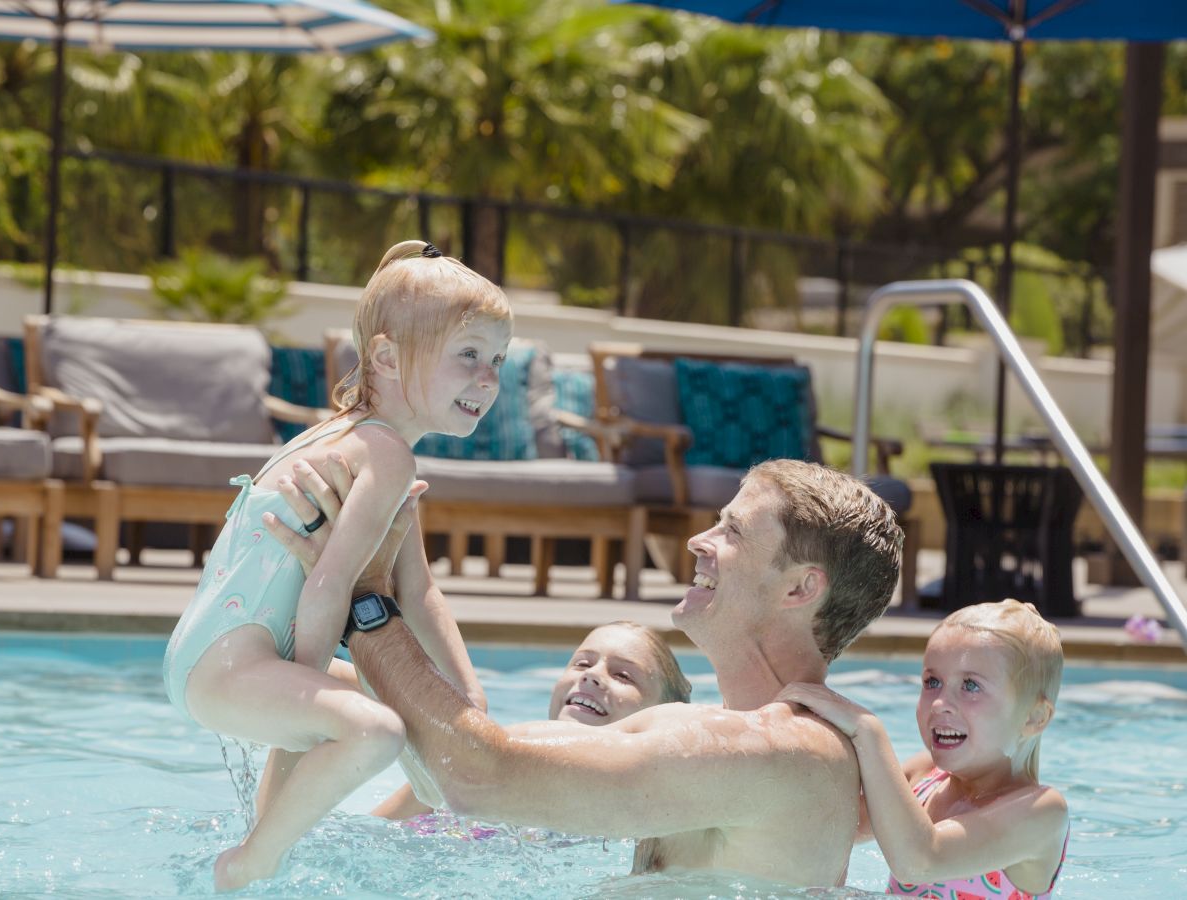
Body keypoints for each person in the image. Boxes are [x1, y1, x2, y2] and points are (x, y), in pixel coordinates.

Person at [267, 457, 903, 887]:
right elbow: (475, 750)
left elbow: (475, 776)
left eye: (731, 530)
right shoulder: (723, 733)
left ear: (800, 589)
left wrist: (363, 601)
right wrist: (386, 566)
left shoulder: (780, 750)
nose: (698, 541)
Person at [162, 239, 511, 891]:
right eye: (468, 355)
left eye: (497, 360)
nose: (488, 378)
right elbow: (326, 591)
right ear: (385, 356)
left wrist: (471, 695)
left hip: (217, 655)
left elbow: (418, 586)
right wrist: (310, 690)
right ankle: (252, 861)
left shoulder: (364, 442)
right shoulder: (383, 454)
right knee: (374, 733)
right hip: (230, 664)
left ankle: (273, 839)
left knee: (434, 737)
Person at [779, 599, 1069, 898]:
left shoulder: (1043, 812)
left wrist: (867, 730)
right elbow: (831, 826)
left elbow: (920, 861)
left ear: (1034, 718)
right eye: (932, 682)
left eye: (970, 686)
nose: (940, 703)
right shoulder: (924, 776)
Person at [371, 620, 693, 822]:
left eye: (623, 675)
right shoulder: (484, 762)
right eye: (582, 663)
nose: (593, 676)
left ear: (664, 711)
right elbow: (375, 835)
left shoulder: (655, 814)